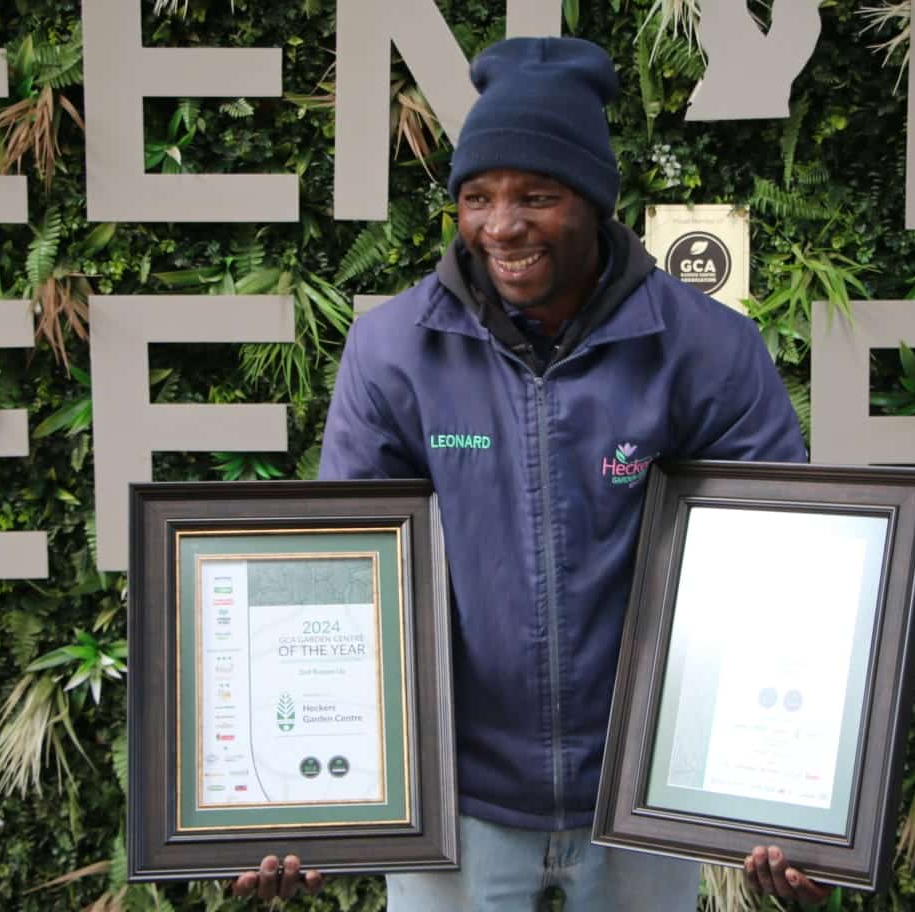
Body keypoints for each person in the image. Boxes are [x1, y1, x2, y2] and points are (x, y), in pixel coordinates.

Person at [233, 36, 829, 910]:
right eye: (477, 197)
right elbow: (343, 587)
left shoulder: (706, 347)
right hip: (458, 796)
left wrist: (785, 802)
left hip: (641, 795)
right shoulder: (393, 350)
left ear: (593, 201)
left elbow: (782, 571)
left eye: (536, 196)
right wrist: (306, 804)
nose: (501, 226)